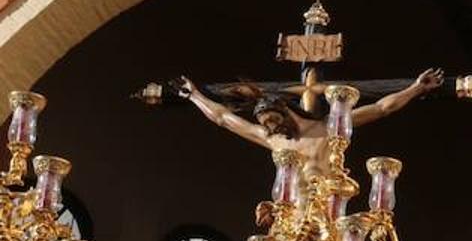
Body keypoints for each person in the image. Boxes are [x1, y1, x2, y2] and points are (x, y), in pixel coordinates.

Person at [177, 67, 445, 171]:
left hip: (326, 209)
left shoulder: (330, 128)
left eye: (271, 119)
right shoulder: (273, 140)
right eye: (264, 123)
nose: (269, 128)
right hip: (289, 216)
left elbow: (381, 108)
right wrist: (194, 96)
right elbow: (224, 118)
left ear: (286, 109)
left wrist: (416, 88)